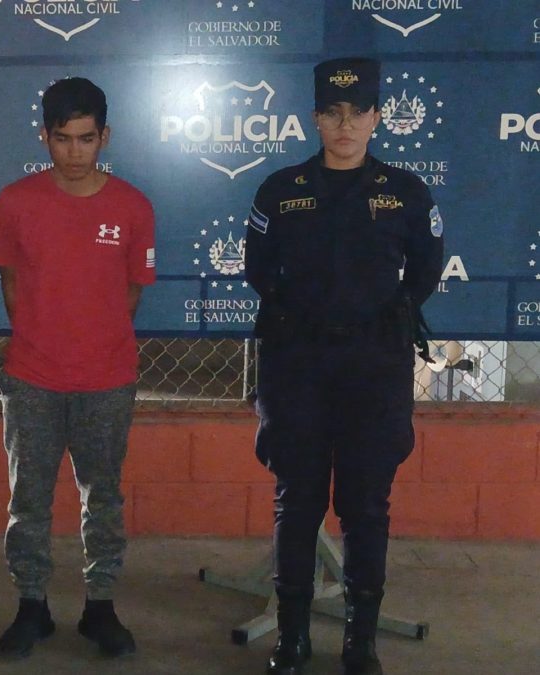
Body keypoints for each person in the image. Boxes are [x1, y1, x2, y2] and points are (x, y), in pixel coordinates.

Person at [244, 57, 444, 675]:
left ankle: (361, 642)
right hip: (298, 364)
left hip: (373, 367)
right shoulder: (281, 189)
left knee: (365, 504)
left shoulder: (405, 191)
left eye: (358, 112)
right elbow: (257, 266)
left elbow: (427, 265)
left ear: (377, 117)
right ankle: (293, 638)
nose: (345, 125)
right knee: (297, 500)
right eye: (332, 112)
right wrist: (293, 315)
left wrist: (390, 314)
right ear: (315, 118)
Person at [0, 77, 156, 659]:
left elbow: (131, 291)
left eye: (86, 138)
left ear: (105, 136)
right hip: (31, 379)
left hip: (108, 381)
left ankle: (99, 607)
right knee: (27, 500)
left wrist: (94, 340)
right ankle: (30, 606)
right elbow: (11, 283)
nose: (75, 151)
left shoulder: (133, 206)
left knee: (102, 496)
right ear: (44, 137)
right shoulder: (15, 202)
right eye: (63, 138)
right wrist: (46, 340)